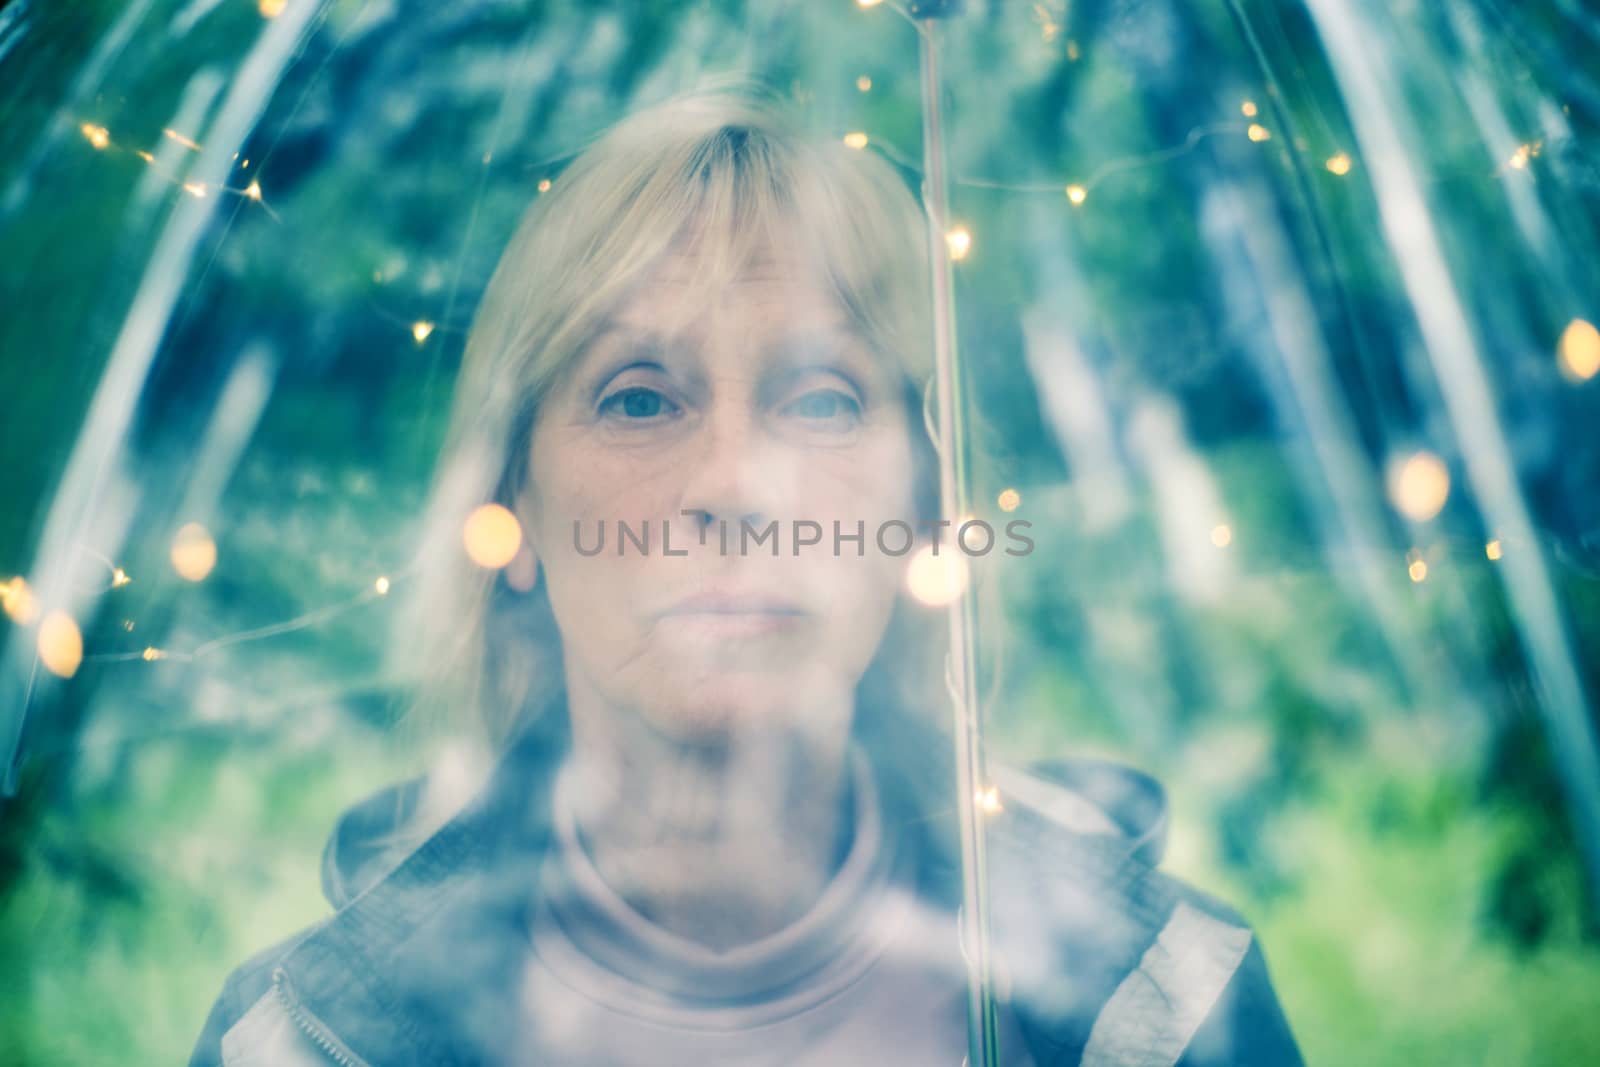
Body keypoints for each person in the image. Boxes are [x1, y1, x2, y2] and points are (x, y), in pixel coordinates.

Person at [189, 85, 1303, 1067]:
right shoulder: (296, 1042)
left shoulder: (1168, 1003)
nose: (736, 483)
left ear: (918, 506)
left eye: (819, 395)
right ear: (511, 507)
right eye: (637, 396)